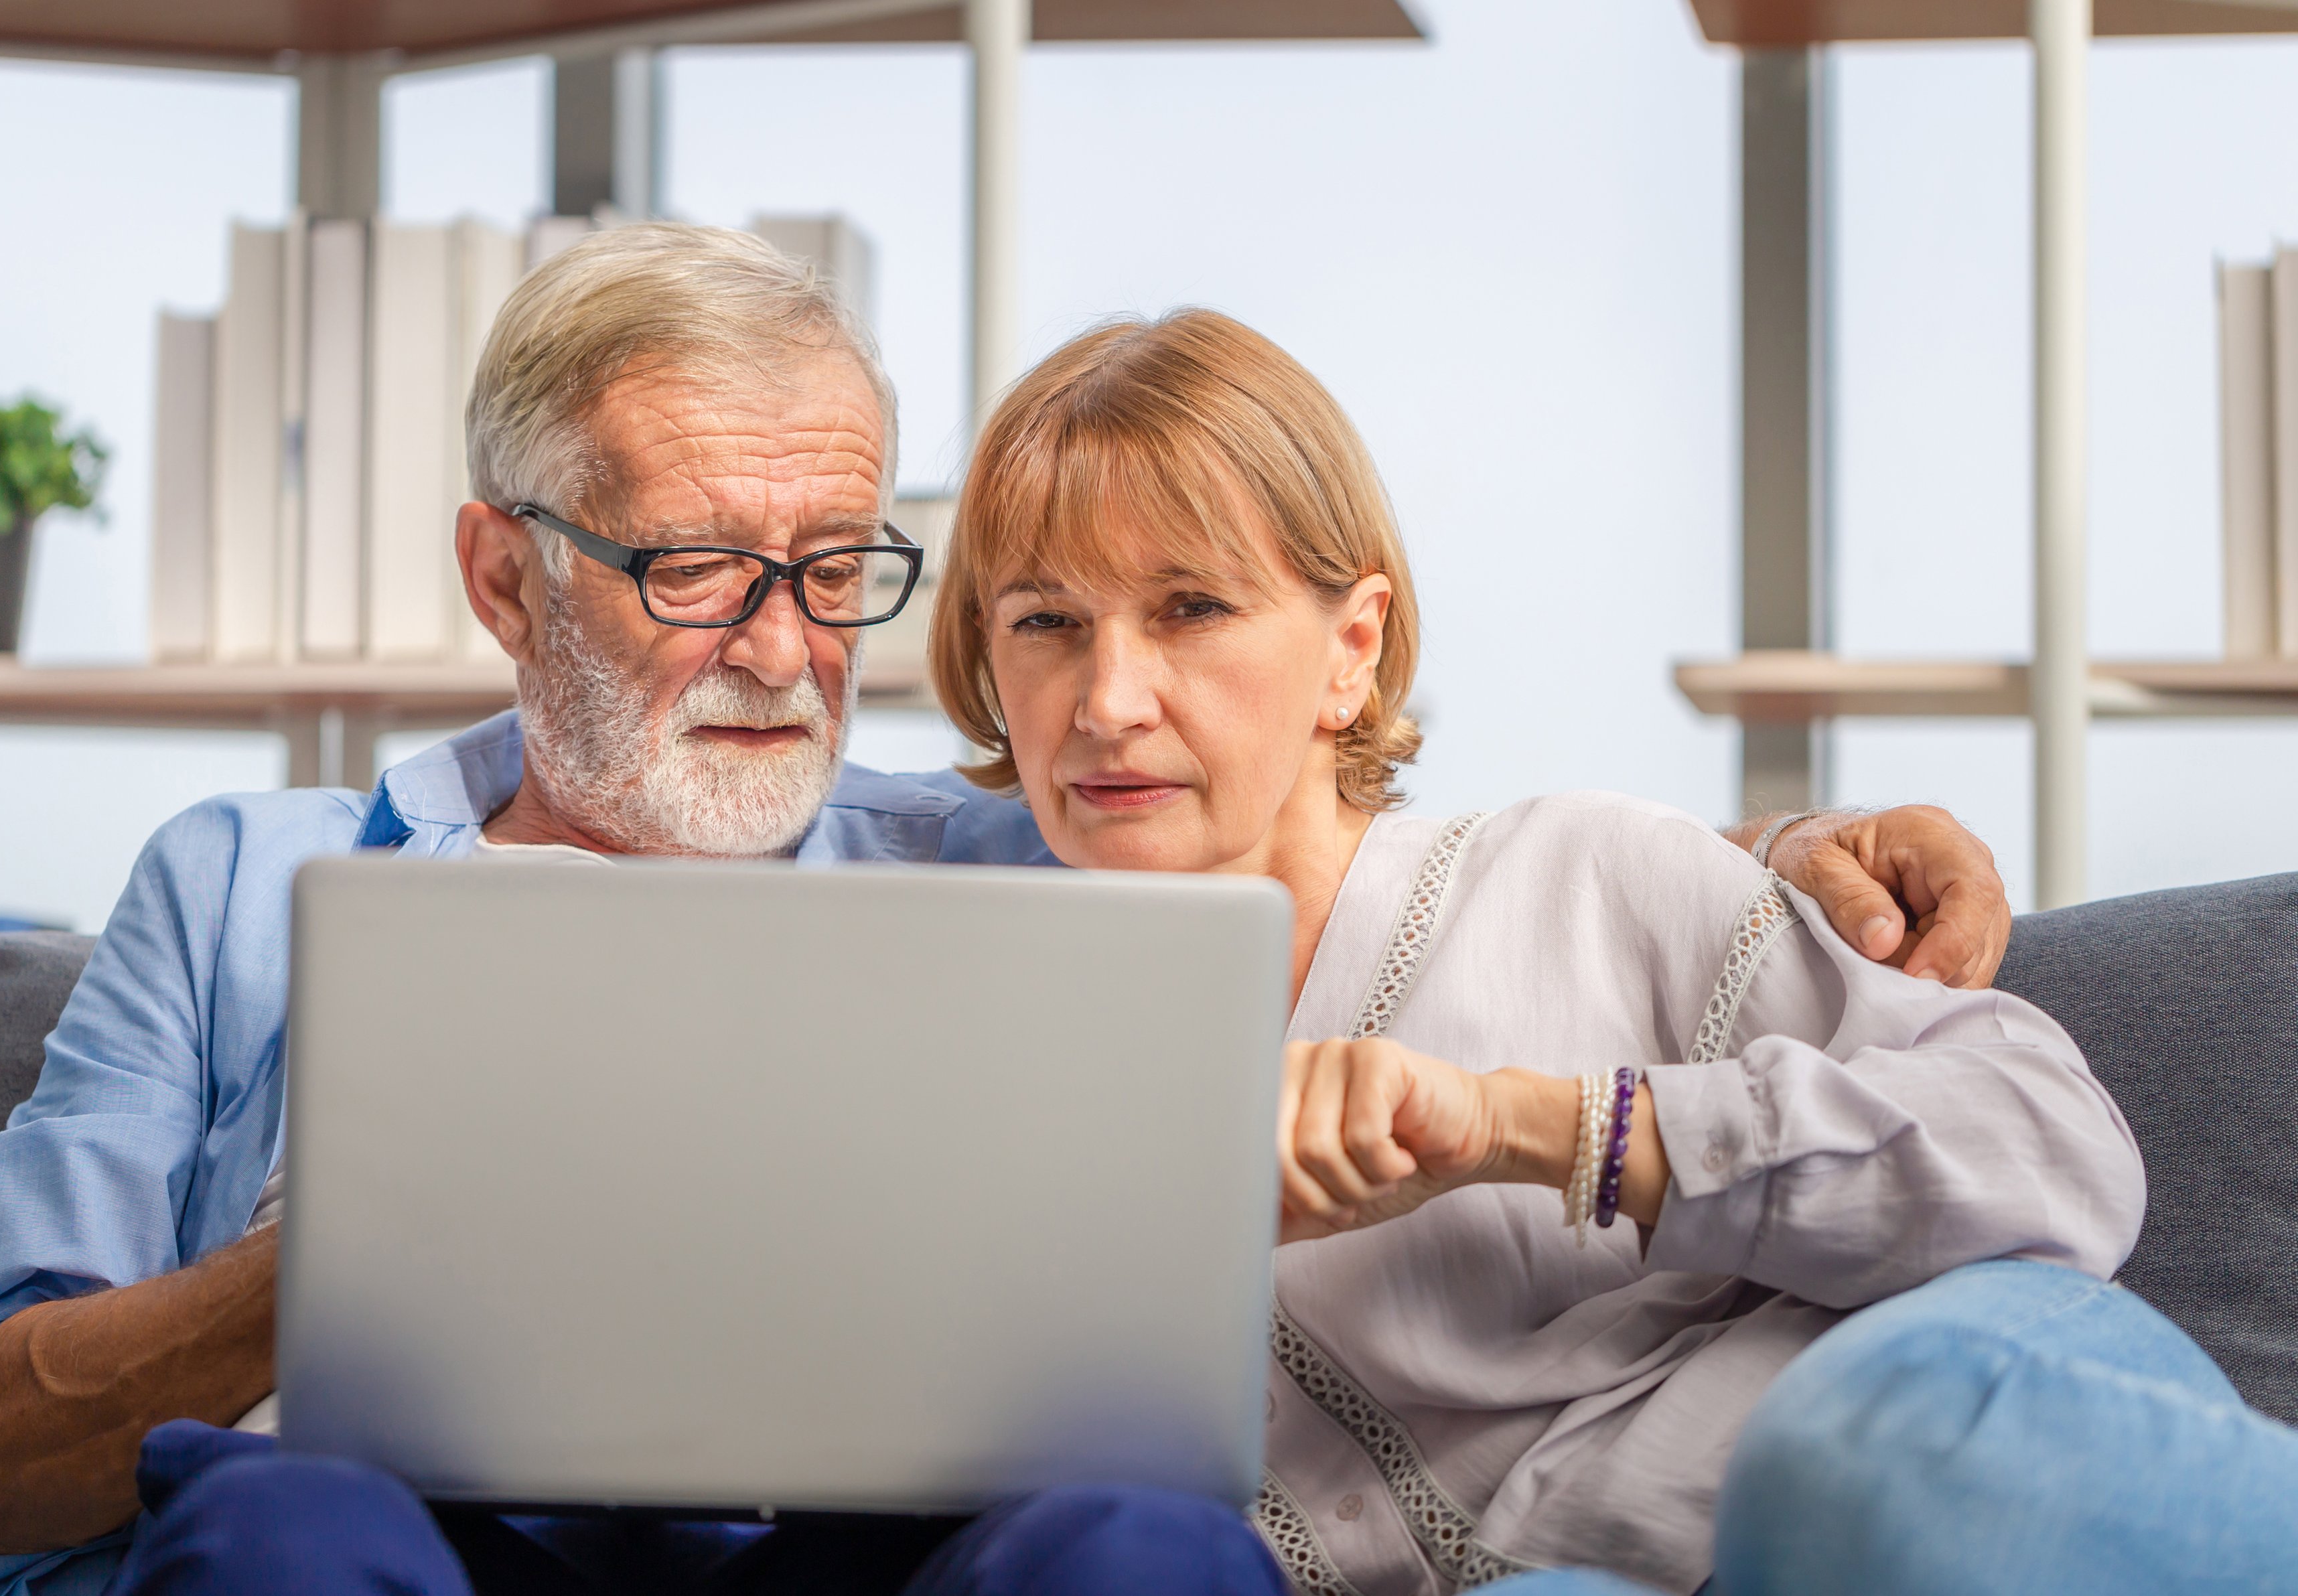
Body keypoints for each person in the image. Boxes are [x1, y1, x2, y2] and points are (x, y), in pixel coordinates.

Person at [0, 226, 2015, 1596]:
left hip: (877, 1564)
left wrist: (1786, 873)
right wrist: (354, 1261)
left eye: (836, 569)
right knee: (276, 1528)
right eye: (697, 567)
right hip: (381, 1538)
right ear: (501, 575)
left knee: (1140, 1548)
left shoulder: (1012, 867)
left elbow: (1333, 843)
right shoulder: (241, 886)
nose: (783, 645)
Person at [924, 307, 2298, 1595]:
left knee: (1874, 1464)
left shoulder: (1575, 874)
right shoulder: (988, 1052)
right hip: (1570, 1573)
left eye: (1188, 608)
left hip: (1879, 1459)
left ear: (1353, 648)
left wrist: (1539, 1126)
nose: (1106, 699)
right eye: (1045, 621)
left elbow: (2050, 1142)